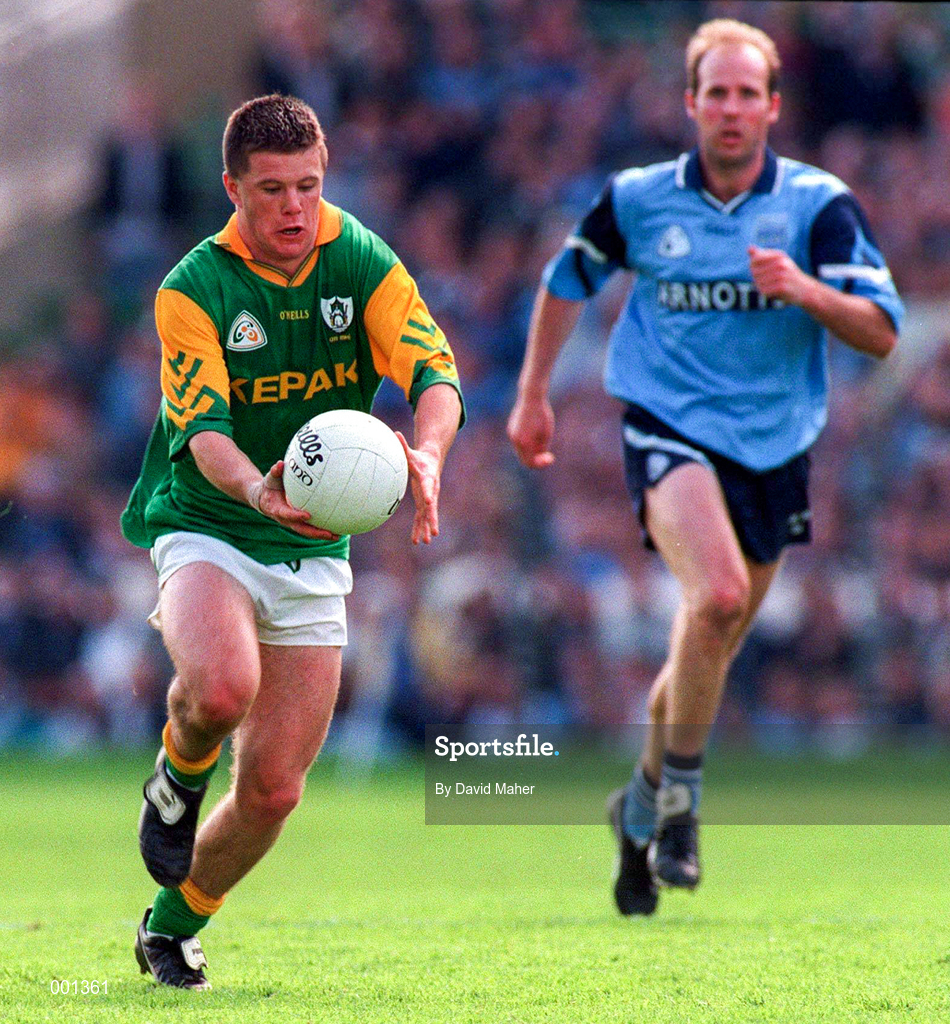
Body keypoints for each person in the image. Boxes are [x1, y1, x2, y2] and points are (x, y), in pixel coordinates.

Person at [506, 19, 902, 916]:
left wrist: (802, 288)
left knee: (705, 645)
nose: (729, 108)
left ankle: (637, 811)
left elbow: (881, 332)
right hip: (668, 428)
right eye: (713, 92)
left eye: (745, 93)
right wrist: (533, 395)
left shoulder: (818, 207)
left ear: (772, 105)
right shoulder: (640, 198)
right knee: (716, 597)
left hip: (774, 448)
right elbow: (567, 278)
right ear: (690, 103)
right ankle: (681, 804)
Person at [121, 94, 463, 988]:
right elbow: (204, 433)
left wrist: (425, 454)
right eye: (270, 190)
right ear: (232, 187)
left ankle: (171, 926)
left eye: (307, 186)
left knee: (275, 789)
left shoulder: (360, 259)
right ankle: (177, 771)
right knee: (223, 686)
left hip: (313, 544)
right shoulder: (193, 288)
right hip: (210, 520)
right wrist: (257, 490)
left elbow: (435, 372)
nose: (292, 208)